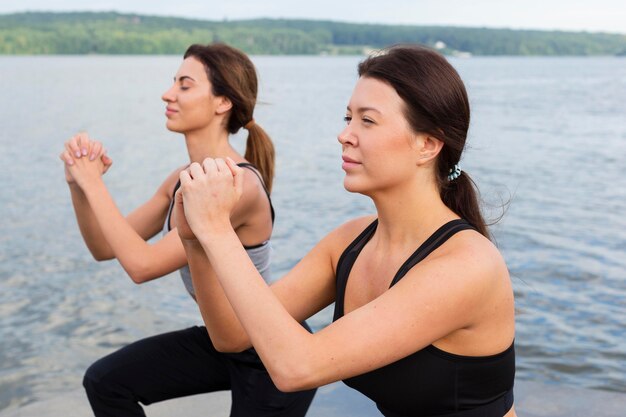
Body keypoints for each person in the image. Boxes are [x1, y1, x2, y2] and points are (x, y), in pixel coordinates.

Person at [175, 45, 517, 417]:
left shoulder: (466, 266)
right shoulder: (351, 242)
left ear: (427, 145)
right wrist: (195, 240)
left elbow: (296, 367)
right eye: (348, 117)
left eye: (367, 121)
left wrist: (217, 231)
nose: (344, 135)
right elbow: (231, 336)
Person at [59, 43, 316, 417]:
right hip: (222, 337)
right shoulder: (180, 181)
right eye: (172, 83)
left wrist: (95, 185)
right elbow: (104, 247)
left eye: (184, 84)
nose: (168, 94)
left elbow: (141, 266)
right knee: (106, 381)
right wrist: (79, 186)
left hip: (271, 348)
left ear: (222, 102)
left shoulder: (235, 187)